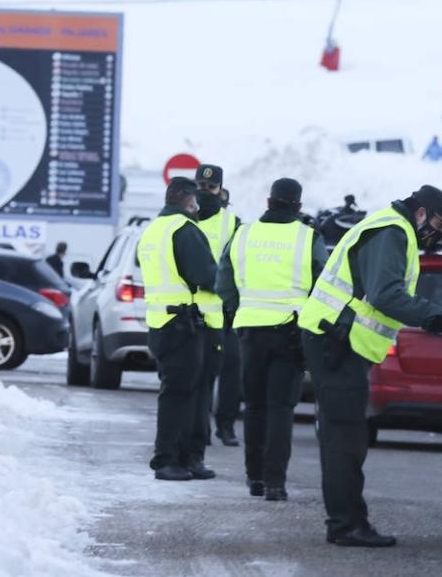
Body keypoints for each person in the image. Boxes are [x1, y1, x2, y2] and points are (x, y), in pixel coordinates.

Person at [297, 185, 442, 547]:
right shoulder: (391, 231)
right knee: (345, 439)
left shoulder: (393, 229)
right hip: (336, 341)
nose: (437, 232)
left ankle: (345, 522)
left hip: (340, 341)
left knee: (345, 436)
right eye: (437, 223)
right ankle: (346, 526)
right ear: (420, 211)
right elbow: (387, 295)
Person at [216, 177, 327, 501]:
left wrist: (241, 310)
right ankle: (275, 483)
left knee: (254, 406)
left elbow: (224, 280)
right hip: (292, 333)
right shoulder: (308, 238)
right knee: (281, 408)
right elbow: (322, 285)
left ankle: (255, 479)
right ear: (299, 207)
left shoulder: (243, 234)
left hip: (250, 331)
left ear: (268, 201)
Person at [137, 177, 218, 481]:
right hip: (182, 324)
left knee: (179, 393)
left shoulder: (153, 230)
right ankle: (167, 460)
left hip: (161, 322)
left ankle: (184, 459)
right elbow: (206, 275)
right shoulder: (185, 230)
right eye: (196, 201)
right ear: (188, 201)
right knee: (179, 395)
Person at [192, 164, 242, 451]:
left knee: (231, 369)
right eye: (200, 186)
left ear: (221, 190)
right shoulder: (187, 217)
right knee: (201, 373)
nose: (205, 192)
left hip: (225, 310)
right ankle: (201, 428)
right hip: (194, 309)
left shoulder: (232, 223)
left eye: (210, 188)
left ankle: (226, 425)